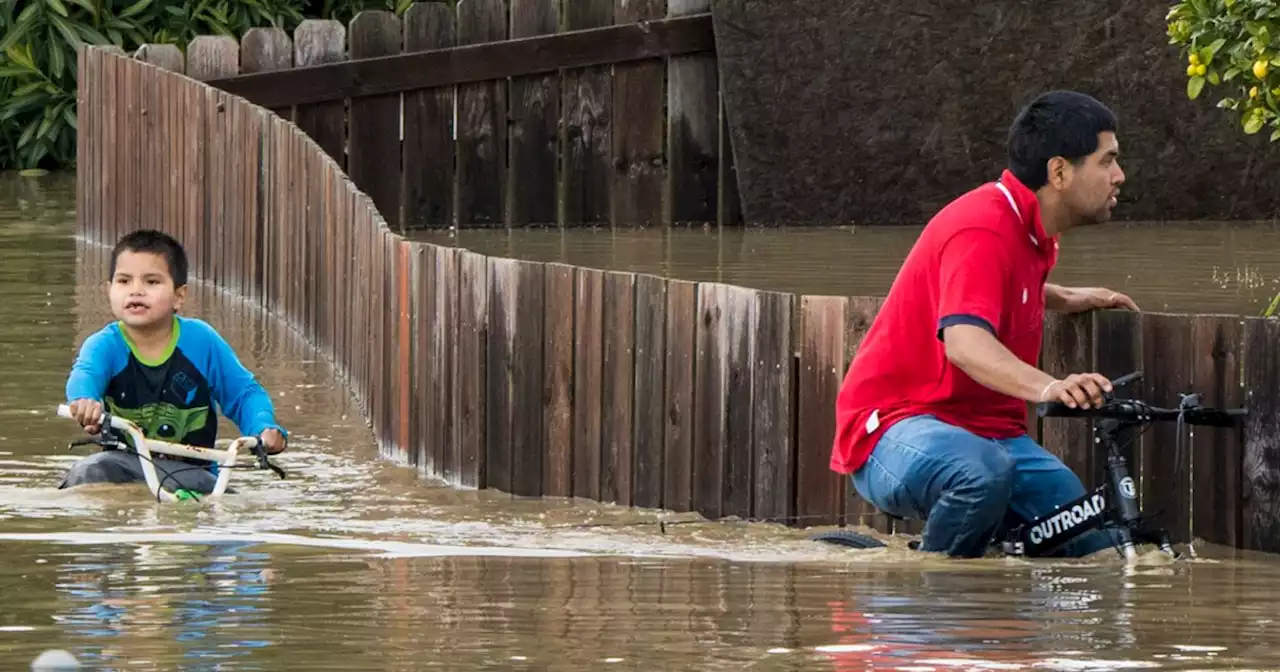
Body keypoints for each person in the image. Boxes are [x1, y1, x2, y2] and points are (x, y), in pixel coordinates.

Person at [830, 90, 1140, 559]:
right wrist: (1051, 387)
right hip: (894, 429)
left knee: (1084, 535)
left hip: (987, 436)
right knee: (979, 474)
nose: (1120, 176)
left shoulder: (1029, 230)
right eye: (1108, 160)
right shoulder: (983, 227)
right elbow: (965, 344)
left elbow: (991, 286)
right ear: (1059, 172)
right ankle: (935, 592)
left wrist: (1064, 295)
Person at [61, 229, 288, 495]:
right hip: (123, 467)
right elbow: (84, 376)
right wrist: (85, 401)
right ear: (109, 290)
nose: (136, 291)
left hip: (194, 476)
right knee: (87, 472)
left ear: (179, 296)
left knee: (233, 517)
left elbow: (244, 394)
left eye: (152, 282)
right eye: (124, 281)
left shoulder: (201, 341)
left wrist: (264, 428)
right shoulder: (103, 345)